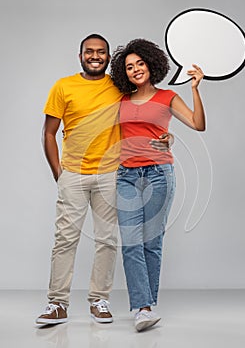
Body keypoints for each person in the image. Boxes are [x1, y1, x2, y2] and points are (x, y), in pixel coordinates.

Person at [36, 34, 171, 325]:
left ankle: (100, 299)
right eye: (89, 51)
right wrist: (59, 174)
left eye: (101, 52)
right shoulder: (63, 86)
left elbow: (145, 109)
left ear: (109, 58)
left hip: (111, 174)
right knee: (65, 240)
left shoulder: (119, 87)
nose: (94, 55)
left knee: (107, 240)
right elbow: (49, 133)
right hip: (72, 174)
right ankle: (57, 303)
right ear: (80, 55)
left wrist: (166, 136)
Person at [110, 38, 206, 332]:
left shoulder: (167, 97)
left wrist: (194, 90)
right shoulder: (121, 100)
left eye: (140, 63)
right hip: (126, 175)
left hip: (159, 174)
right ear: (123, 73)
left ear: (151, 64)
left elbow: (198, 124)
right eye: (129, 67)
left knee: (152, 242)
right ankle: (143, 307)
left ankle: (145, 307)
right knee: (131, 243)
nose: (135, 69)